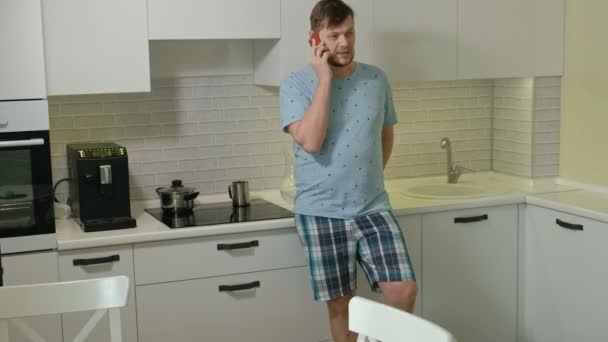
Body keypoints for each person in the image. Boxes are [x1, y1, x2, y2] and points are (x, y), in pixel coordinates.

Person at [279, 0, 417, 341]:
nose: (344, 42)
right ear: (316, 39)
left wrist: (366, 180)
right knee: (343, 306)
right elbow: (310, 141)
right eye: (334, 35)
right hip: (321, 212)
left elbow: (385, 134)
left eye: (350, 33)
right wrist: (324, 79)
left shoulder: (376, 79)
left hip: (372, 206)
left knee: (403, 290)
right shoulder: (295, 84)